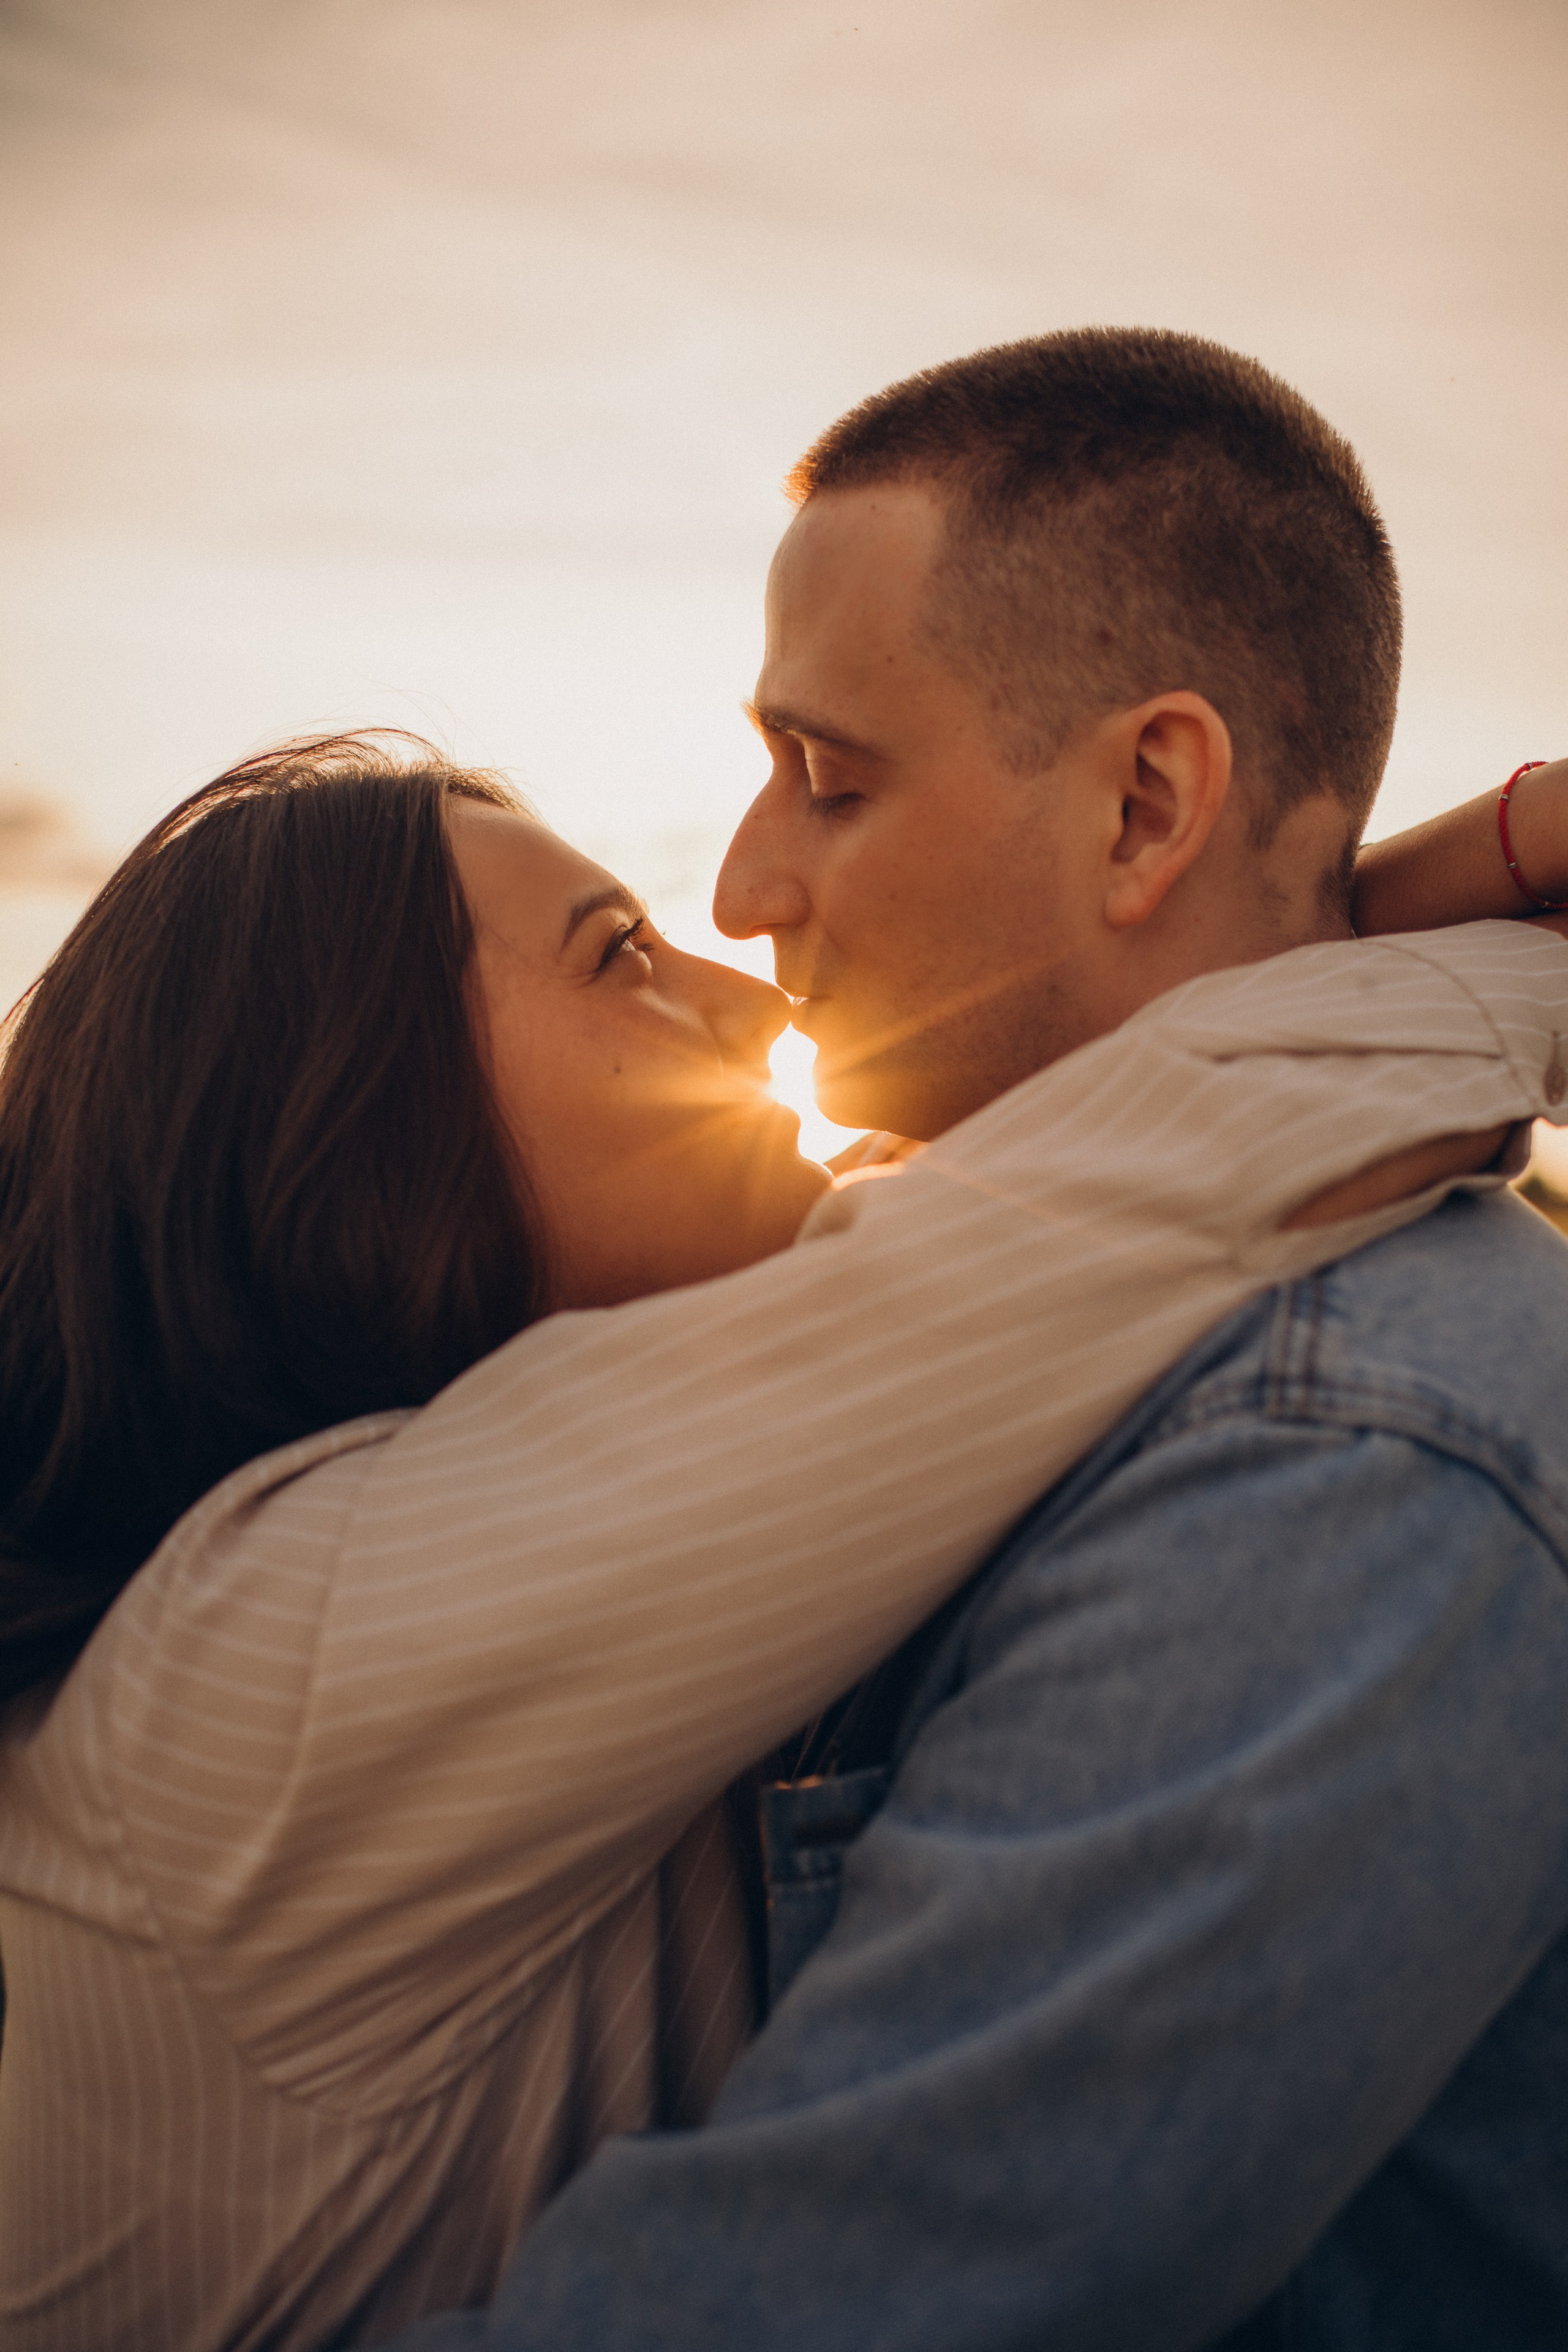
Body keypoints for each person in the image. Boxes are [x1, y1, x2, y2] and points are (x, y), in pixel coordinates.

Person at [382, 332, 1568, 2352]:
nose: (744, 886)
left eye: (831, 781)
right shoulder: (979, 1299)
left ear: (1145, 807)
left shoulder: (1336, 1452)